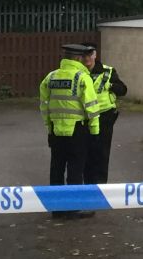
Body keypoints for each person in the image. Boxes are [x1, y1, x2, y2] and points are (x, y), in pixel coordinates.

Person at [39, 43, 101, 219]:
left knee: (56, 169)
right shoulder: (82, 78)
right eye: (82, 57)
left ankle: (57, 209)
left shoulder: (50, 78)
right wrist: (95, 132)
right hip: (78, 131)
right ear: (77, 58)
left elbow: (44, 106)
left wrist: (49, 128)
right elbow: (91, 107)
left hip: (56, 132)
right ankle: (73, 208)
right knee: (75, 170)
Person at [85, 43, 127, 184]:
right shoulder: (78, 73)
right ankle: (88, 184)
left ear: (95, 55)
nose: (87, 58)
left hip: (104, 117)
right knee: (87, 152)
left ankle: (101, 186)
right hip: (85, 117)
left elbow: (123, 89)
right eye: (85, 55)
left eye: (90, 54)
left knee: (102, 152)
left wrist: (110, 86)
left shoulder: (108, 71)